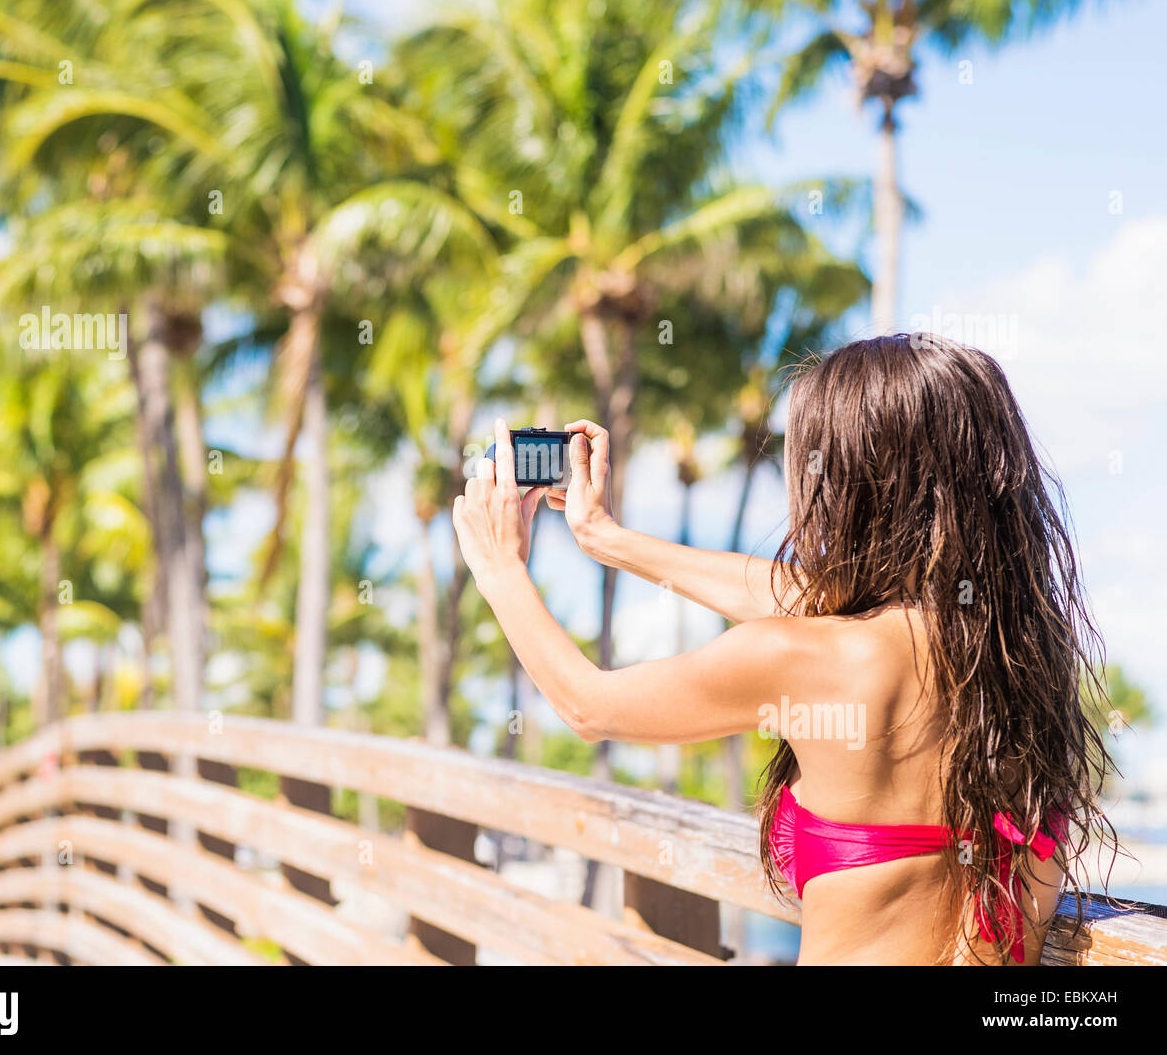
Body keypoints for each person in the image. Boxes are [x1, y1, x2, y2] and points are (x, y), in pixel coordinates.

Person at [451, 333, 1116, 965]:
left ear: (857, 481)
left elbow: (589, 706)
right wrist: (604, 537)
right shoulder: (1011, 653)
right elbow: (809, 598)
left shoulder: (807, 657)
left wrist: (501, 570)